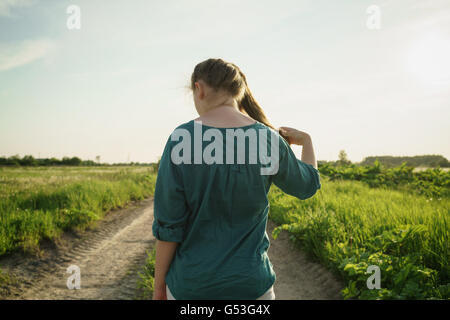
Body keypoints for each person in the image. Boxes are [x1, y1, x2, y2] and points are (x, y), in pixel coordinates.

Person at [152, 58, 321, 300]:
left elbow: (169, 226)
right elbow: (307, 186)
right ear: (237, 91)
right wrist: (307, 142)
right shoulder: (268, 139)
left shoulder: (181, 139)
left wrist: (159, 285)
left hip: (192, 286)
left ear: (199, 89)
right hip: (252, 286)